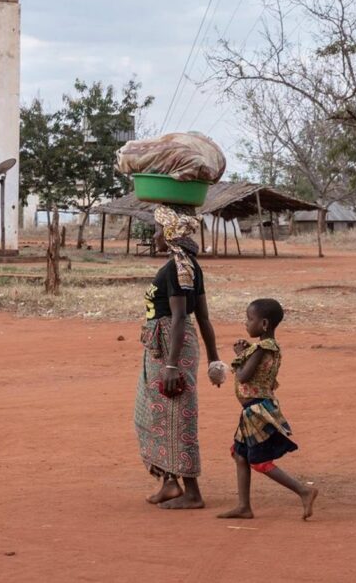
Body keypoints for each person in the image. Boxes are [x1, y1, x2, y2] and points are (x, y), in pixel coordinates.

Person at [135, 205, 226, 510]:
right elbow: (203, 318)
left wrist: (172, 365)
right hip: (164, 348)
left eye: (159, 230)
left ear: (171, 233)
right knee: (155, 415)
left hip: (171, 350)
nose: (155, 235)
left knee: (177, 418)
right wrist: (213, 360)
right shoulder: (188, 265)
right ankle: (169, 482)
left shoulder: (177, 268)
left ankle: (193, 493)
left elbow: (179, 318)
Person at [218, 298, 318, 521]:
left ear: (263, 324)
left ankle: (303, 490)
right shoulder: (268, 347)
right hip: (253, 411)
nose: (246, 323)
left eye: (249, 319)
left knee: (259, 461)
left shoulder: (262, 348)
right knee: (240, 455)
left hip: (256, 411)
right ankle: (243, 506)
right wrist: (247, 352)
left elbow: (244, 376)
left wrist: (239, 355)